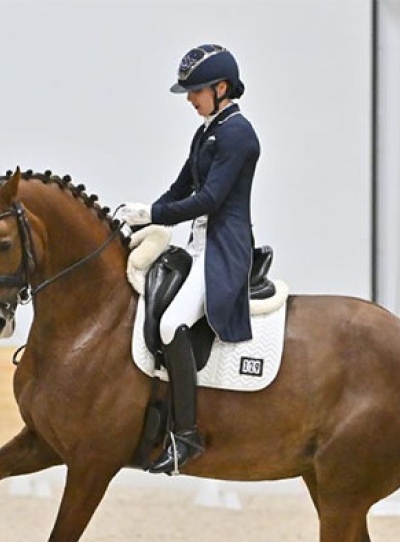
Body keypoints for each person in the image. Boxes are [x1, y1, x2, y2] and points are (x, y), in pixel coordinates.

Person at [116, 44, 260, 474]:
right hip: (196, 244)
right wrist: (141, 220)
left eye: (195, 91)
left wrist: (154, 214)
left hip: (223, 248)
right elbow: (181, 187)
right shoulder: (208, 131)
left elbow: (210, 199)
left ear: (221, 87)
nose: (189, 99)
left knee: (170, 323)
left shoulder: (238, 133)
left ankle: (186, 436)